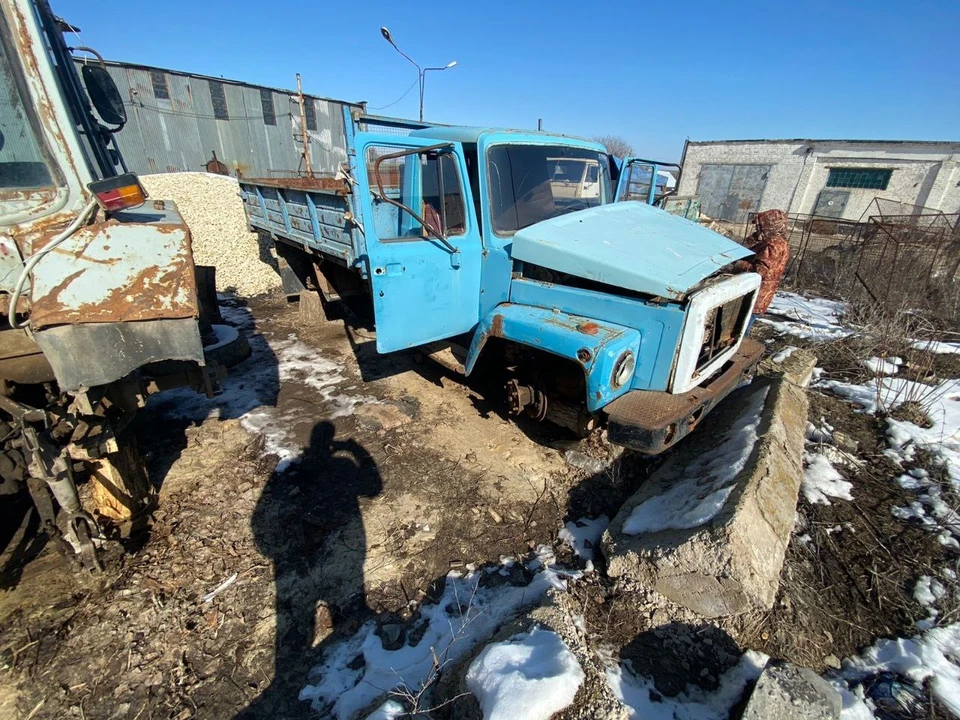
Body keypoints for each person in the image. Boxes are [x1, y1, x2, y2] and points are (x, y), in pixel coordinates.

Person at [735, 209, 791, 328]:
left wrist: (739, 264)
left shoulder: (774, 245)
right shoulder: (775, 241)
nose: (756, 229)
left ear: (769, 226)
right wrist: (755, 237)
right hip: (757, 292)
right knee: (741, 325)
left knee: (740, 328)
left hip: (757, 293)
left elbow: (763, 271)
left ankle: (742, 345)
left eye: (760, 226)